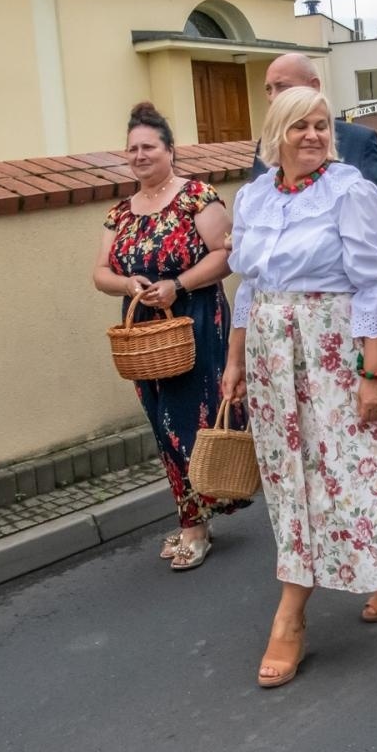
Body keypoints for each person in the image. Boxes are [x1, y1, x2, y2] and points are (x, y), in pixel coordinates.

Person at [223, 87, 377, 689]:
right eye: (300, 126)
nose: (313, 137)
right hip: (274, 356)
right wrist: (236, 359)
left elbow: (375, 286)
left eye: (322, 126)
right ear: (276, 134)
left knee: (356, 469)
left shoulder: (351, 191)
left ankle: (291, 615)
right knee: (290, 477)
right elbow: (249, 287)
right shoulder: (252, 197)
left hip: (332, 350)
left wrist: (374, 372)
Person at [92, 102, 240, 571]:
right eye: (132, 148)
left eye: (149, 147)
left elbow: (227, 256)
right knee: (161, 423)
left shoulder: (198, 197)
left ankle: (200, 520)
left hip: (195, 320)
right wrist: (128, 284)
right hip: (145, 335)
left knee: (189, 422)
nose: (139, 155)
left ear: (170, 151)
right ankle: (190, 517)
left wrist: (178, 284)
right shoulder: (120, 213)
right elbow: (100, 273)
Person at [252, 53, 377, 235]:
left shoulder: (358, 141)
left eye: (282, 87)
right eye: (268, 89)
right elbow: (257, 208)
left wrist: (341, 221)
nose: (273, 97)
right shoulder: (267, 144)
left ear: (314, 86)